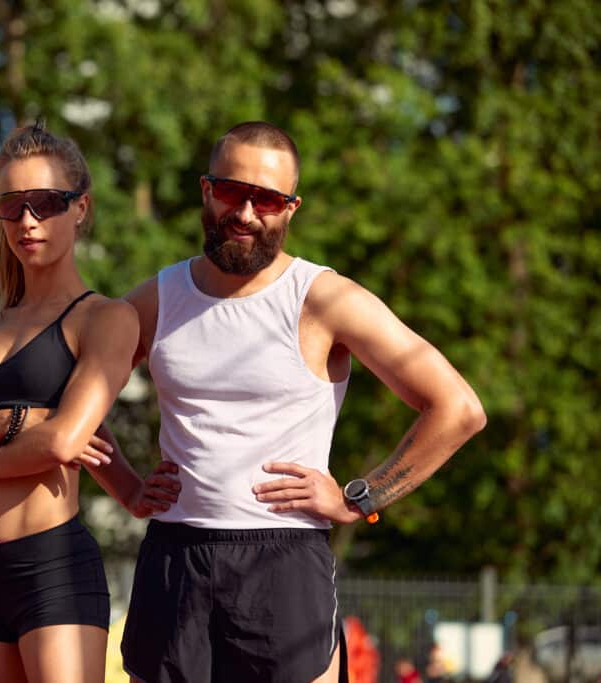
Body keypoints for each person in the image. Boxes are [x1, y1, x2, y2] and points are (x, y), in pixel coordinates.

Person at [119, 121, 487, 682]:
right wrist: (126, 487)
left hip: (282, 560)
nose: (245, 212)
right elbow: (65, 398)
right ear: (205, 190)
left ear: (290, 209)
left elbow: (457, 408)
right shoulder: (156, 299)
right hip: (174, 555)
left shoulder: (324, 299)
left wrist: (360, 497)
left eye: (265, 199)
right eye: (231, 191)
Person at [0, 122, 181, 683]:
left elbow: (64, 440)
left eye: (46, 203)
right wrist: (12, 419)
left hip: (51, 573)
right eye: (11, 206)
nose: (27, 220)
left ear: (80, 209)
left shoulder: (105, 319)